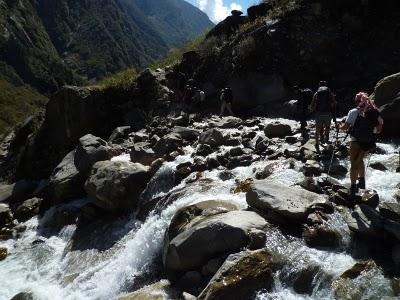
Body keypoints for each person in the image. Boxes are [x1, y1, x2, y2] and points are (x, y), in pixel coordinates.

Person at [340, 92, 383, 195]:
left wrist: (340, 126)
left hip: (355, 141)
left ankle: (353, 187)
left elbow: (345, 127)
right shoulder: (375, 111)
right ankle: (362, 181)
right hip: (368, 142)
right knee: (360, 161)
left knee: (354, 164)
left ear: (357, 101)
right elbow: (379, 129)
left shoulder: (354, 111)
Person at [310, 81, 337, 152]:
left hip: (318, 114)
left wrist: (311, 109)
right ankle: (325, 137)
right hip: (327, 113)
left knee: (317, 129)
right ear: (326, 85)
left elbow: (312, 105)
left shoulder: (316, 93)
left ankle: (316, 143)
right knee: (327, 127)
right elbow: (334, 103)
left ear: (319, 86)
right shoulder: (329, 93)